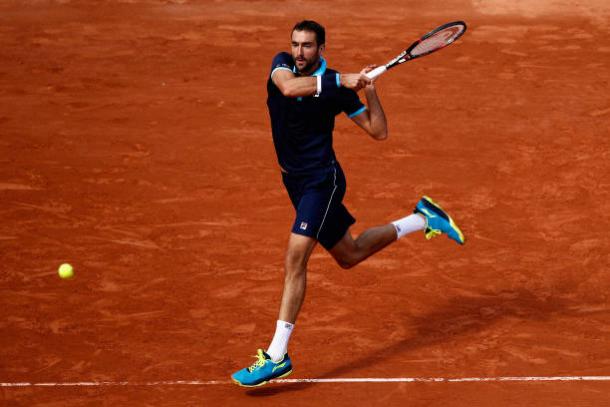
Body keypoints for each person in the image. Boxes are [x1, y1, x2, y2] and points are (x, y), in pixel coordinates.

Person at [231, 20, 464, 387]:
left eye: (307, 46)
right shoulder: (285, 68)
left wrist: (369, 88)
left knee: (295, 258)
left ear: (322, 48)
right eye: (295, 45)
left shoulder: (338, 88)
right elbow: (290, 89)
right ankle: (422, 218)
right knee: (349, 255)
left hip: (322, 182)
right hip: (294, 181)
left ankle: (277, 355)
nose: (299, 53)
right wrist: (342, 79)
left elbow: (378, 131)